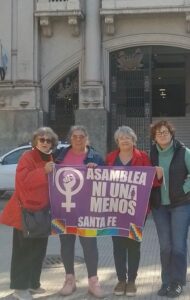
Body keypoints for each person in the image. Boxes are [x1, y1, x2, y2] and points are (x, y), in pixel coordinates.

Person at [0, 127, 58, 300]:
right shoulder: (27, 157)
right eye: (42, 139)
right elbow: (22, 181)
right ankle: (19, 288)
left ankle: (33, 283)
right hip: (26, 213)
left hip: (42, 212)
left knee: (38, 250)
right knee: (23, 252)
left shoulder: (49, 157)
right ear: (35, 141)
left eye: (48, 140)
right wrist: (43, 171)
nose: (45, 142)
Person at [105, 125, 161, 297]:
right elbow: (99, 181)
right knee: (117, 246)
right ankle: (121, 279)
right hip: (115, 210)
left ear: (133, 140)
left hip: (137, 210)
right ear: (117, 141)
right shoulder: (110, 158)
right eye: (121, 138)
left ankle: (132, 281)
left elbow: (152, 183)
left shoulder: (143, 157)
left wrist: (158, 175)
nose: (124, 140)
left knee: (133, 245)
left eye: (128, 137)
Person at [55, 125, 104, 298]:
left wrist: (97, 170)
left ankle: (93, 281)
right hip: (63, 210)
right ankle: (70, 280)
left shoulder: (96, 157)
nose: (78, 139)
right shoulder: (59, 156)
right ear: (70, 138)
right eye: (75, 136)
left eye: (81, 136)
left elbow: (106, 183)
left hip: (88, 210)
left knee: (90, 246)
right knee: (66, 245)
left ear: (87, 138)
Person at [150, 120, 190, 298]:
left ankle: (178, 282)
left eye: (165, 132)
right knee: (165, 247)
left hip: (180, 205)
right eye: (159, 133)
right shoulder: (151, 155)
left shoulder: (184, 152)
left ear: (172, 134)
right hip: (160, 207)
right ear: (154, 137)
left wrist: (184, 188)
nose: (162, 135)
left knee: (178, 247)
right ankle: (166, 281)